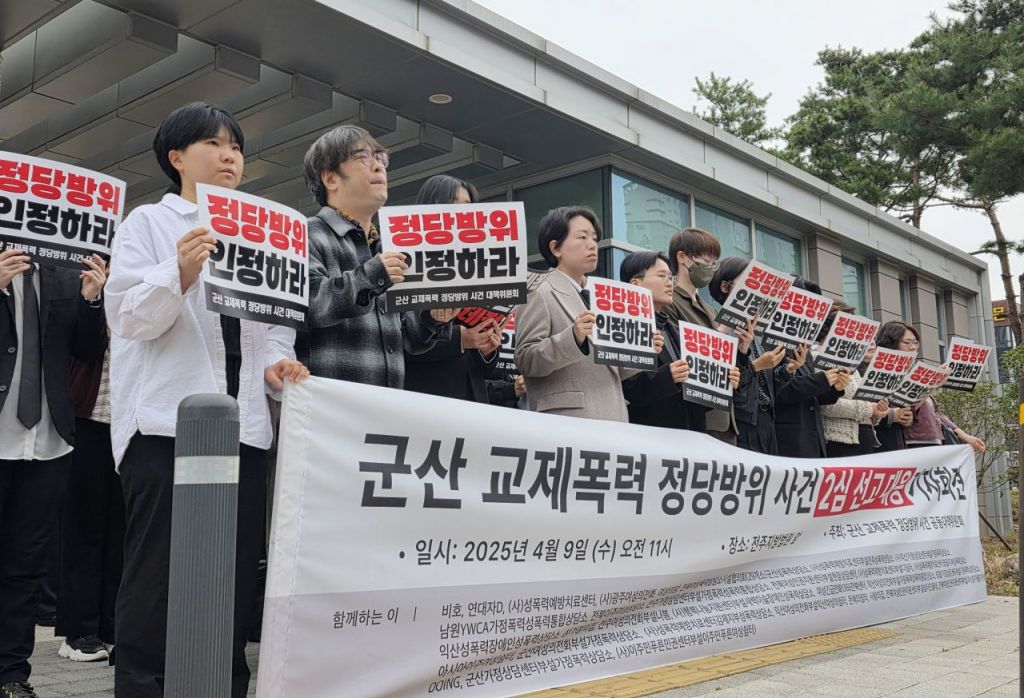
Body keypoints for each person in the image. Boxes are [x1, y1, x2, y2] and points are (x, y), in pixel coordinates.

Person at [105, 102, 308, 698]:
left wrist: (278, 365)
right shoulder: (149, 223)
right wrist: (180, 271)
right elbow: (127, 317)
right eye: (214, 144)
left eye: (236, 147)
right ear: (176, 157)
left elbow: (276, 324)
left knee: (235, 574)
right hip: (166, 424)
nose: (229, 157)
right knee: (159, 573)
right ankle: (144, 687)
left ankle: (223, 686)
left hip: (245, 428)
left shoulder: (260, 229)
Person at [0, 245, 107, 698]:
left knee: (25, 566)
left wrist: (92, 300)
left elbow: (86, 351)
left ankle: (12, 674)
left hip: (47, 440)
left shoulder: (63, 270)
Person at [299, 125, 446, 386]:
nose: (379, 167)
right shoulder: (307, 232)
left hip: (384, 403)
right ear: (330, 179)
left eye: (380, 158)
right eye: (362, 157)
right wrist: (373, 275)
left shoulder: (387, 246)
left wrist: (432, 318)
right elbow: (310, 305)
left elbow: (409, 340)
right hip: (329, 401)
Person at [515, 206, 660, 421]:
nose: (592, 245)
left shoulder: (605, 296)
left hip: (613, 416)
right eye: (582, 237)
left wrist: (644, 349)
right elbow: (526, 359)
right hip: (567, 419)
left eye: (594, 238)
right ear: (555, 248)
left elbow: (614, 369)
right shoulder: (539, 290)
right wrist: (572, 338)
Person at [403, 175, 502, 401]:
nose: (462, 213)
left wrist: (486, 348)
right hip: (426, 394)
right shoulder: (407, 260)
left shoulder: (480, 264)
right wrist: (459, 339)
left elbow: (486, 370)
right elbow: (399, 338)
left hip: (472, 398)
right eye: (452, 203)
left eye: (467, 206)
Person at [55, 347, 124, 663]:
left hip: (131, 421)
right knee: (84, 525)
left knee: (122, 529)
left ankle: (112, 626)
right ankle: (78, 630)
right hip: (88, 414)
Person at [620, 251, 738, 431]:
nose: (669, 282)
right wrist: (668, 376)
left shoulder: (671, 329)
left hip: (690, 434)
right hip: (653, 435)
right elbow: (629, 389)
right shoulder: (625, 326)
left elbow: (693, 398)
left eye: (670, 277)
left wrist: (722, 382)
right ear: (635, 284)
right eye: (661, 276)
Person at [661, 227, 740, 444]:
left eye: (713, 264)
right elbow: (682, 353)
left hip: (724, 417)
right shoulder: (669, 302)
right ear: (682, 257)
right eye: (705, 261)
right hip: (698, 415)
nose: (709, 268)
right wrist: (723, 330)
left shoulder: (711, 310)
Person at [708, 257, 788, 454]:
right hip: (741, 421)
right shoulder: (716, 327)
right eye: (747, 283)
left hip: (765, 420)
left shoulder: (757, 333)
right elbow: (725, 380)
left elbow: (769, 385)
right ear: (725, 287)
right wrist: (756, 364)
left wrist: (788, 370)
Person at [772, 279, 851, 459]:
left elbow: (812, 396)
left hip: (811, 438)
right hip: (788, 439)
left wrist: (834, 388)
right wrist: (821, 380)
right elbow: (780, 390)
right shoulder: (773, 339)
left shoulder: (802, 343)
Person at [818, 305, 888, 457]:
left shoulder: (850, 362)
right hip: (837, 441)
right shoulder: (817, 357)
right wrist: (870, 409)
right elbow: (825, 405)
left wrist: (877, 411)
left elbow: (864, 404)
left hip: (862, 438)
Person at [873, 321, 918, 451]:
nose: (912, 348)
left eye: (915, 343)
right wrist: (893, 415)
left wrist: (907, 417)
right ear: (891, 343)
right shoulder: (873, 369)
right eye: (907, 342)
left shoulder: (907, 373)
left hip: (898, 440)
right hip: (877, 443)